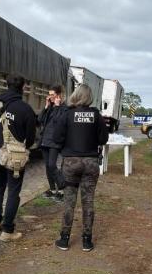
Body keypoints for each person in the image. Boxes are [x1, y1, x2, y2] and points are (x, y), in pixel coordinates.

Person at [53, 84, 109, 252]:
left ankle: (64, 239)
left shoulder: (67, 115)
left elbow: (57, 138)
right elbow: (103, 139)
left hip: (71, 163)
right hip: (91, 163)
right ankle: (87, 240)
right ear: (90, 97)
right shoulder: (96, 116)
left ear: (76, 96)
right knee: (88, 201)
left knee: (69, 202)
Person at [0, 74, 36, 241]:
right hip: (15, 154)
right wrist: (23, 147)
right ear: (22, 88)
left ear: (6, 85)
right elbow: (31, 137)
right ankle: (7, 231)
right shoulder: (26, 109)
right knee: (13, 191)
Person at [38, 85, 66, 201]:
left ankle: (62, 188)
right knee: (47, 167)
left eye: (52, 95)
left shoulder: (64, 108)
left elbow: (58, 122)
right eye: (49, 94)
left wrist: (58, 107)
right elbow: (39, 120)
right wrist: (46, 107)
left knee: (52, 165)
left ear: (59, 95)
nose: (50, 97)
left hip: (54, 141)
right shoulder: (50, 107)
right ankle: (52, 189)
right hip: (45, 140)